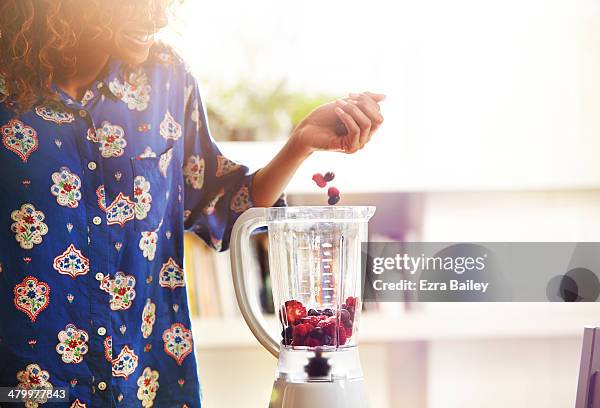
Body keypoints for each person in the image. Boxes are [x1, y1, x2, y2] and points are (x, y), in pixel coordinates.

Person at [0, 0, 385, 406]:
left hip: (145, 389)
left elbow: (222, 207)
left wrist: (300, 142)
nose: (159, 16)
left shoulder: (167, 80)